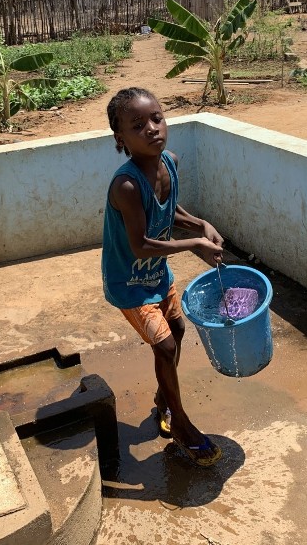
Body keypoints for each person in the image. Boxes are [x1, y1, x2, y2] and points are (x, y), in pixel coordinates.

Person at [102, 87, 224, 467]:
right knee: (166, 347)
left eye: (157, 118)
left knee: (179, 332)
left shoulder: (168, 161)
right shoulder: (125, 185)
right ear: (121, 139)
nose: (152, 128)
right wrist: (193, 244)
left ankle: (162, 401)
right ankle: (181, 421)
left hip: (157, 275)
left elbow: (170, 212)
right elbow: (140, 245)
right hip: (129, 283)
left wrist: (200, 223)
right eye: (138, 125)